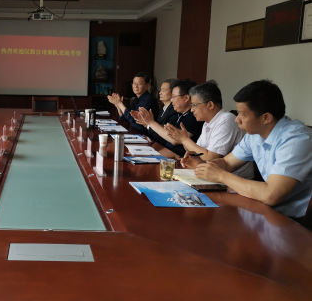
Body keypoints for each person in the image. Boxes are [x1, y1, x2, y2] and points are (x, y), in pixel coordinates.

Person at [181, 80, 312, 219]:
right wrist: (201, 164)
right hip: (264, 208)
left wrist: (221, 176)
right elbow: (227, 163)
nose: (237, 119)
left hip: (294, 220)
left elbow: (271, 194)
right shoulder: (254, 134)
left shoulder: (296, 139)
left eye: (242, 114)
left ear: (266, 117)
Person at [164, 80, 253, 178]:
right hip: (212, 175)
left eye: (194, 105)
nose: (192, 109)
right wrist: (185, 142)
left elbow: (210, 158)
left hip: (234, 180)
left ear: (210, 105)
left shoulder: (226, 120)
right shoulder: (208, 122)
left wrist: (184, 139)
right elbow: (198, 154)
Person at [133, 79, 203, 157]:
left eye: (174, 96)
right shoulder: (179, 114)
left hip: (180, 159)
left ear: (186, 98)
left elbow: (174, 140)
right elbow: (166, 133)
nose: (171, 100)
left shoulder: (193, 117)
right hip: (168, 153)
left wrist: (151, 123)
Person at [145, 77, 179, 144]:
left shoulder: (174, 110)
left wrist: (148, 124)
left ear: (173, 92)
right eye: (161, 90)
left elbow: (167, 134)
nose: (160, 93)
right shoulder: (163, 107)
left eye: (164, 90)